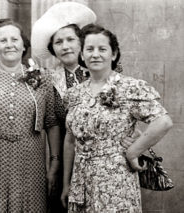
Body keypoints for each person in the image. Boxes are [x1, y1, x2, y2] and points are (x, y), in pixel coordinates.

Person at [31, 2, 136, 212]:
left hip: (106, 161)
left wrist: (132, 139)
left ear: (82, 43)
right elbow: (52, 124)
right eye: (58, 42)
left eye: (71, 39)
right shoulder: (49, 80)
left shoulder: (102, 72)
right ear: (53, 49)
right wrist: (55, 164)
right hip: (66, 157)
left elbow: (126, 114)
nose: (65, 46)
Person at [61, 23, 173, 212]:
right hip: (81, 179)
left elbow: (163, 121)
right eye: (89, 49)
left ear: (113, 54)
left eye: (102, 49)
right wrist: (66, 183)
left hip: (116, 179)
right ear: (82, 55)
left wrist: (133, 151)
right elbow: (70, 140)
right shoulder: (74, 94)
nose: (95, 54)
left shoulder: (129, 87)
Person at [0, 18, 61, 212]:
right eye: (2, 40)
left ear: (23, 44)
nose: (9, 44)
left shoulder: (42, 77)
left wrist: (54, 163)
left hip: (31, 161)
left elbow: (51, 123)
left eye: (14, 39)